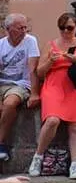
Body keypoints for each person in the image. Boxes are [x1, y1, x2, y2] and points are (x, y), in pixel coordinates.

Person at [29, 13, 76, 180]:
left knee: (75, 126)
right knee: (52, 120)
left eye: (70, 28)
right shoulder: (50, 45)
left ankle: (75, 164)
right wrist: (50, 61)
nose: (66, 31)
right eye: (62, 28)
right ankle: (38, 157)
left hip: (75, 86)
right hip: (54, 86)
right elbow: (39, 71)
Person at [0, 13, 40, 162]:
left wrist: (35, 93)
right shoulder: (1, 45)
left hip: (20, 84)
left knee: (10, 104)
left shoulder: (30, 41)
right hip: (2, 82)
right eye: (20, 28)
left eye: (25, 27)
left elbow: (32, 68)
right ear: (8, 29)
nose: (24, 31)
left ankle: (1, 143)